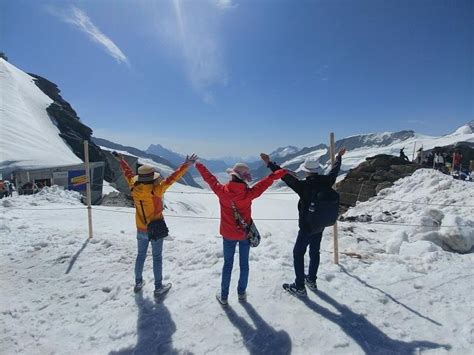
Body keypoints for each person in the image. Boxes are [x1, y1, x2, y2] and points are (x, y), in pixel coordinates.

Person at [195, 161, 288, 305]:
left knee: (228, 265)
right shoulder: (248, 194)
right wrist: (279, 173)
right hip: (245, 234)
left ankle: (224, 296)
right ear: (244, 178)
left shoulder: (222, 191)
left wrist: (199, 165)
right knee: (244, 265)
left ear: (232, 176)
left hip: (228, 234)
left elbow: (210, 179)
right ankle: (241, 294)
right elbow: (265, 183)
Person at [261, 148, 347, 296]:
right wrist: (339, 157)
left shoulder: (303, 186)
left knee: (298, 253)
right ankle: (311, 280)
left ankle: (299, 286)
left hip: (307, 226)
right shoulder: (327, 181)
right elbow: (334, 171)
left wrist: (270, 163)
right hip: (320, 224)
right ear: (317, 170)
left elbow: (285, 176)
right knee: (315, 252)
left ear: (306, 171)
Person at [115, 152, 198, 297]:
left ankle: (138, 282)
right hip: (155, 229)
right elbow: (173, 178)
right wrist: (186, 165)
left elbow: (128, 173)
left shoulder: (134, 186)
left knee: (140, 255)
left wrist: (122, 161)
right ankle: (158, 287)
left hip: (140, 228)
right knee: (157, 257)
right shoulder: (156, 190)